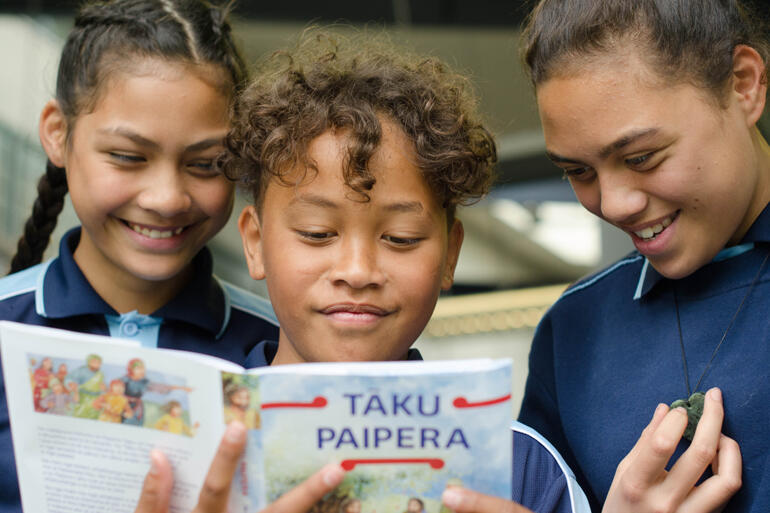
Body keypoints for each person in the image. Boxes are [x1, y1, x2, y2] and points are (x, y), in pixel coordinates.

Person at [136, 31, 591, 513]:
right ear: (255, 243)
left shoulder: (520, 468)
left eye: (400, 238)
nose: (357, 272)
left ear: (450, 255)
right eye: (316, 232)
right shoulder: (177, 446)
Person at [0, 0, 279, 510]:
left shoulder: (278, 348)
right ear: (58, 134)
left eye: (207, 164)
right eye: (128, 157)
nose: (167, 197)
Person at [516, 1, 766, 512]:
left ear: (743, 84)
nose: (613, 204)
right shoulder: (575, 330)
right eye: (578, 172)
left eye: (640, 158)